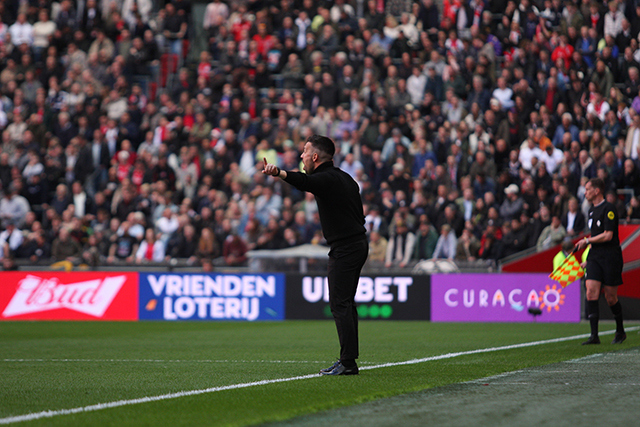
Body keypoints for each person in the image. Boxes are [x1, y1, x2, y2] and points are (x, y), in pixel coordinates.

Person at [262, 134, 368, 376]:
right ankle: (348, 359)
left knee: (339, 304)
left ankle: (348, 363)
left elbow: (306, 182)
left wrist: (279, 172)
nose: (302, 156)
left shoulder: (326, 178)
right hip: (356, 244)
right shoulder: (345, 178)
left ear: (316, 156)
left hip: (346, 247)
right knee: (346, 304)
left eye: (305, 151)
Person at [575, 178, 626, 345]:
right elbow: (595, 236)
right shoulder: (591, 211)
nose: (585, 193)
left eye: (587, 189)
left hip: (610, 257)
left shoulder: (609, 208)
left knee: (610, 297)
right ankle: (594, 335)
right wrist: (588, 259)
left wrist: (587, 241)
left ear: (596, 191)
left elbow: (608, 235)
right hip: (595, 257)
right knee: (591, 291)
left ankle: (620, 331)